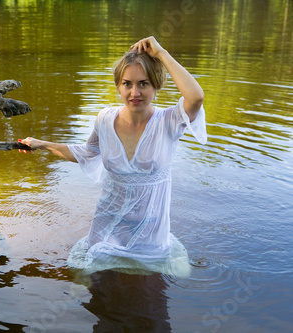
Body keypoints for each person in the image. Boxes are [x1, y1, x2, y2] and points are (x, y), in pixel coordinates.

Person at [19, 36, 207, 276]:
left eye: (144, 83)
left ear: (156, 86)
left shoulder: (168, 122)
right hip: (108, 227)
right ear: (118, 86)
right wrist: (41, 145)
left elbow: (196, 98)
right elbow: (86, 153)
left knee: (152, 304)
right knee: (95, 295)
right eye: (127, 83)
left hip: (150, 234)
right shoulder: (105, 119)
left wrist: (161, 53)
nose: (134, 92)